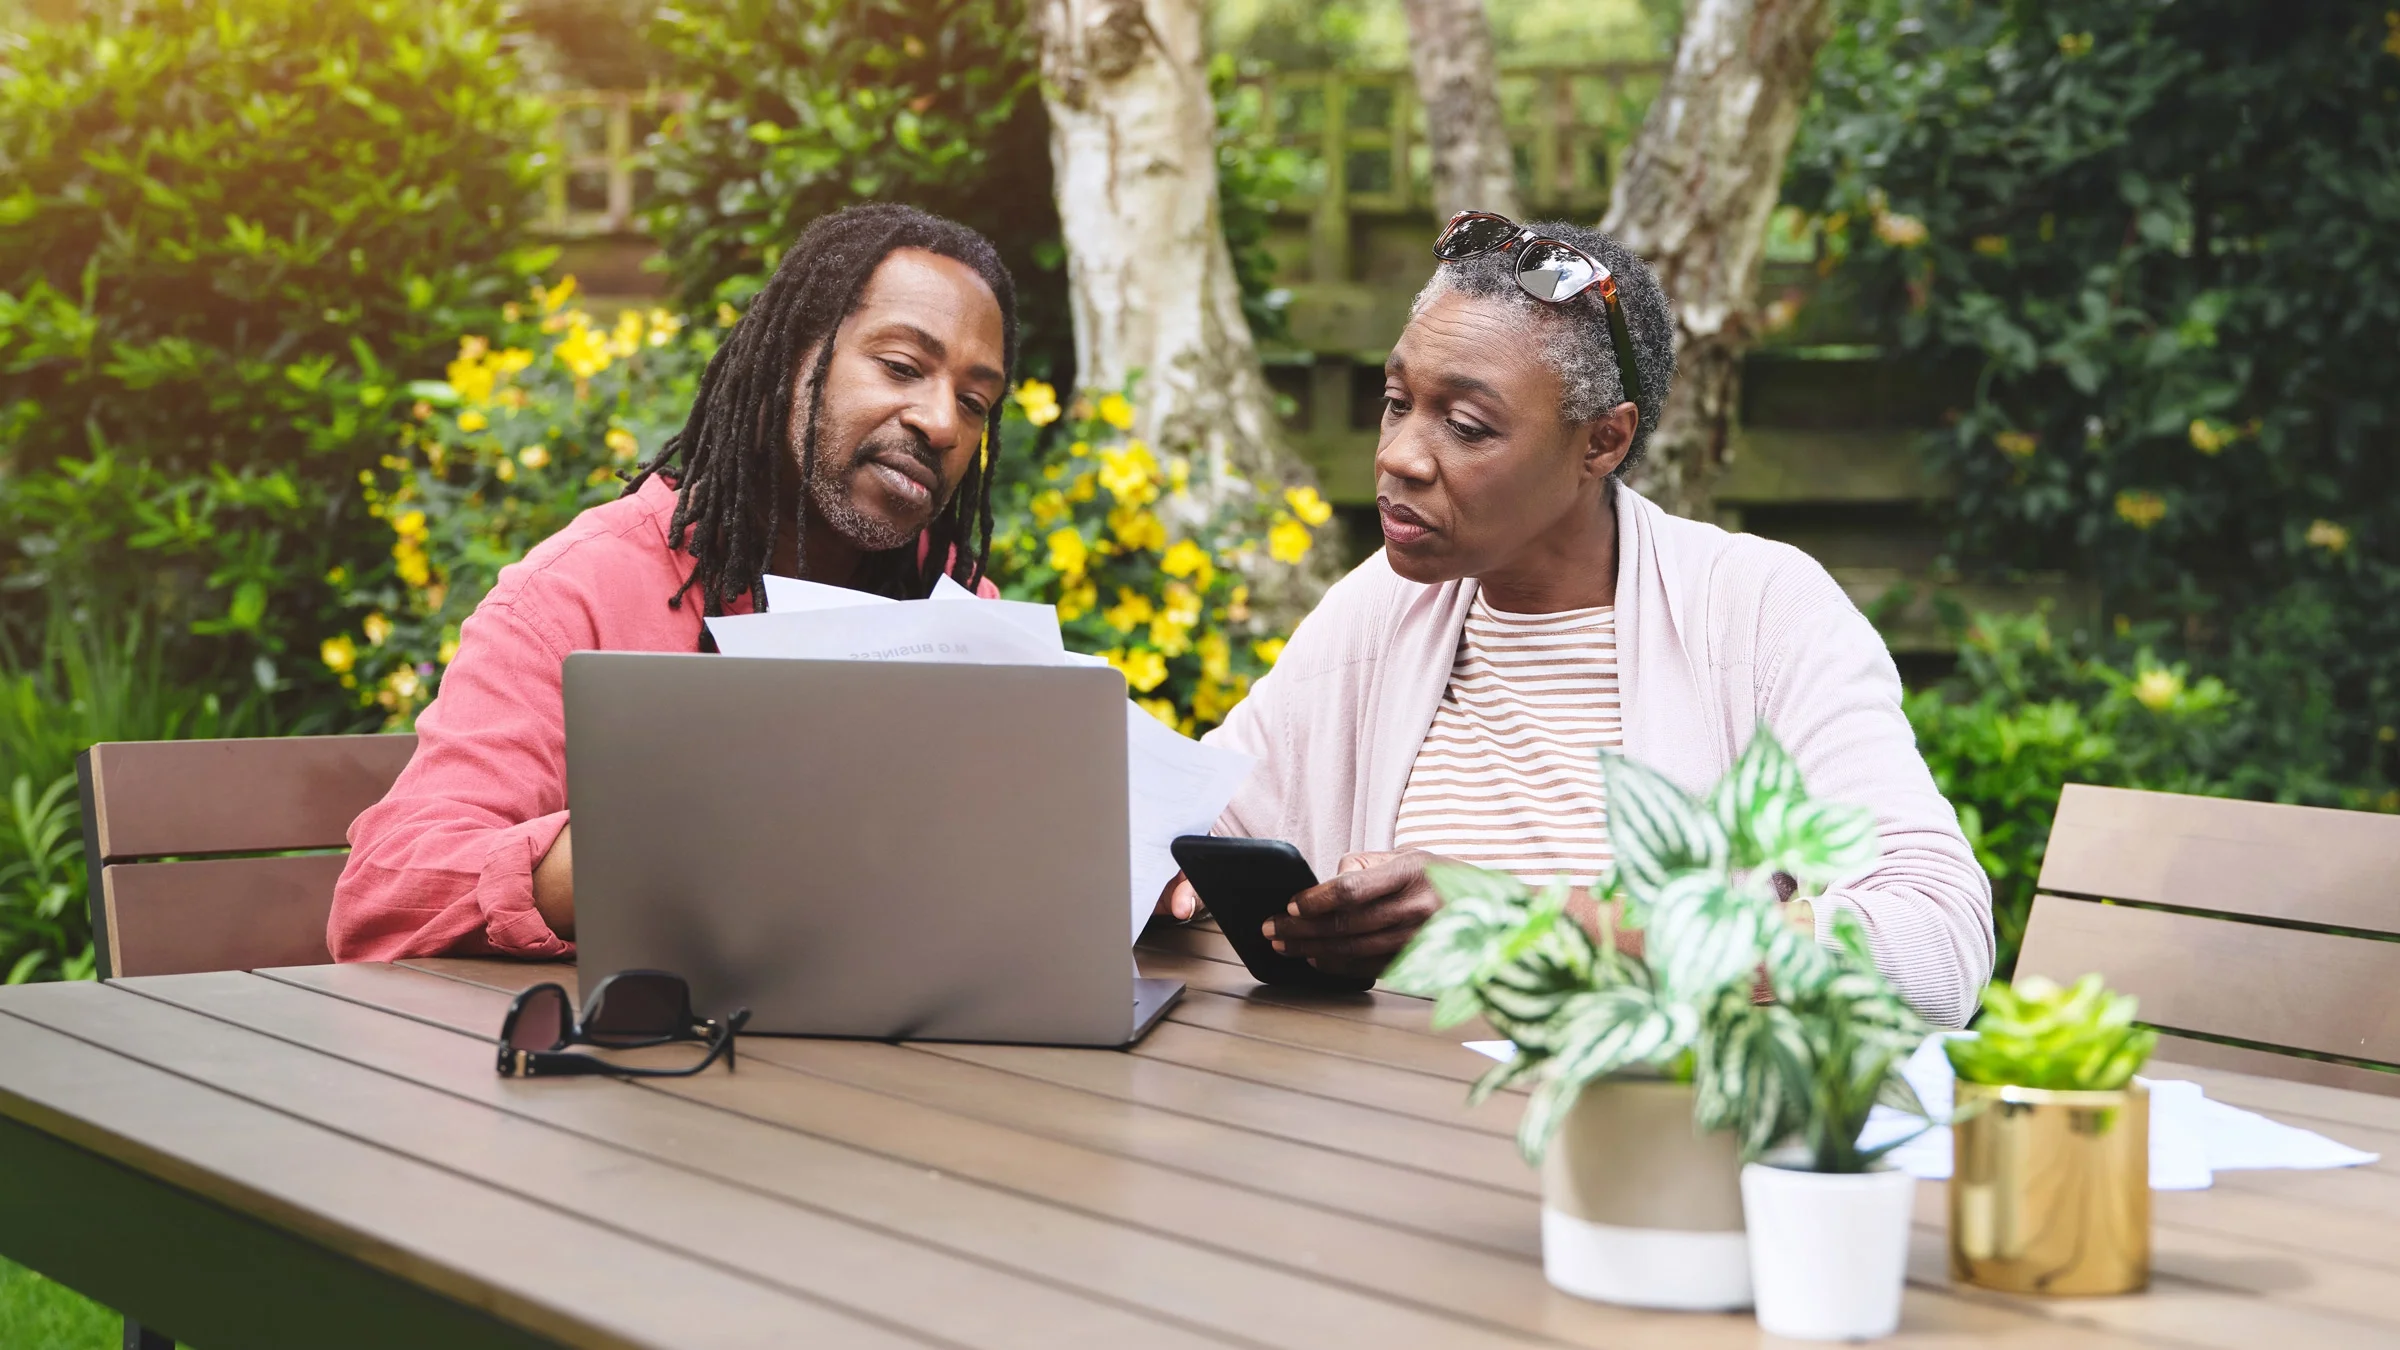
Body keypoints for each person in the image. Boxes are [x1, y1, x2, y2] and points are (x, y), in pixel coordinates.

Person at [1169, 213, 1993, 1027]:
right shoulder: (1380, 609)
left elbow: (1937, 943)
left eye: (1465, 426)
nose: (1400, 455)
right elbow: (1207, 825)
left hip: (1647, 1134)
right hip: (1376, 1125)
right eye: (1395, 402)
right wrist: (1164, 876)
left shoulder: (1759, 613)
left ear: (1602, 442)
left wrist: (1516, 918)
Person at [330, 204, 1017, 961]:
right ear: (792, 357)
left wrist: (1129, 871)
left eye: (975, 402)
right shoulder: (576, 595)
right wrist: (657, 850)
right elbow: (385, 896)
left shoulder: (953, 608)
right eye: (901, 367)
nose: (943, 424)